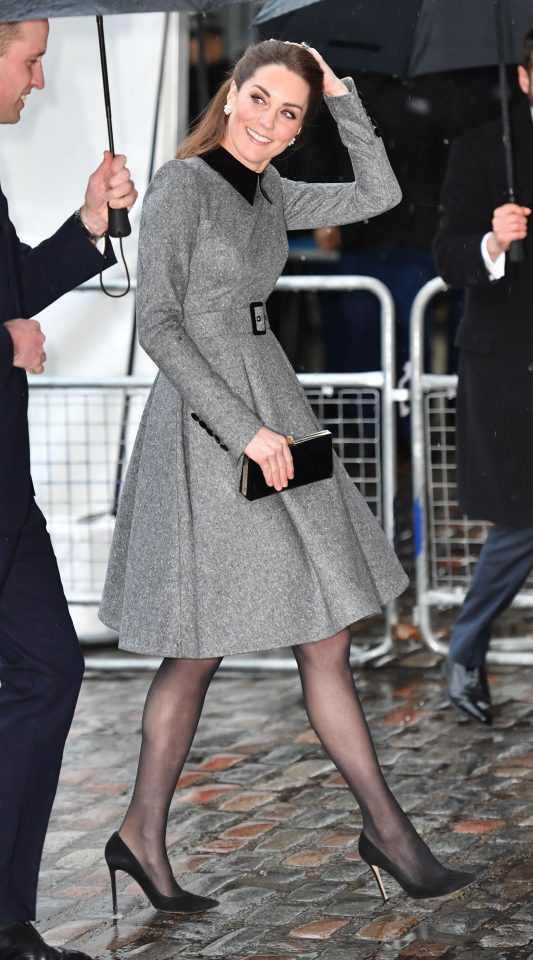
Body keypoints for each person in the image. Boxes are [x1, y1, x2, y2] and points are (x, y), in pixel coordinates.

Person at [99, 39, 474, 912]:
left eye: (290, 113)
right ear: (230, 97)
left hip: (278, 414)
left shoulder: (270, 189)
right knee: (197, 649)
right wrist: (242, 431)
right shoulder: (180, 185)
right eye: (261, 100)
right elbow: (158, 323)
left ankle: (385, 830)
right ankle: (140, 837)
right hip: (209, 430)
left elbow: (377, 193)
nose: (271, 121)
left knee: (326, 632)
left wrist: (340, 97)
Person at [0, 18, 137, 960]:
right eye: (28, 58)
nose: (40, 78)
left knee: (51, 670)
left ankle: (7, 917)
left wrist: (91, 223)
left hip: (9, 493)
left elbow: (12, 286)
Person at [433, 29, 533, 725]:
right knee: (523, 518)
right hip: (508, 365)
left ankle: (464, 648)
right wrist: (491, 241)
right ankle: (464, 647)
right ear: (525, 79)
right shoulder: (478, 151)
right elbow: (444, 254)